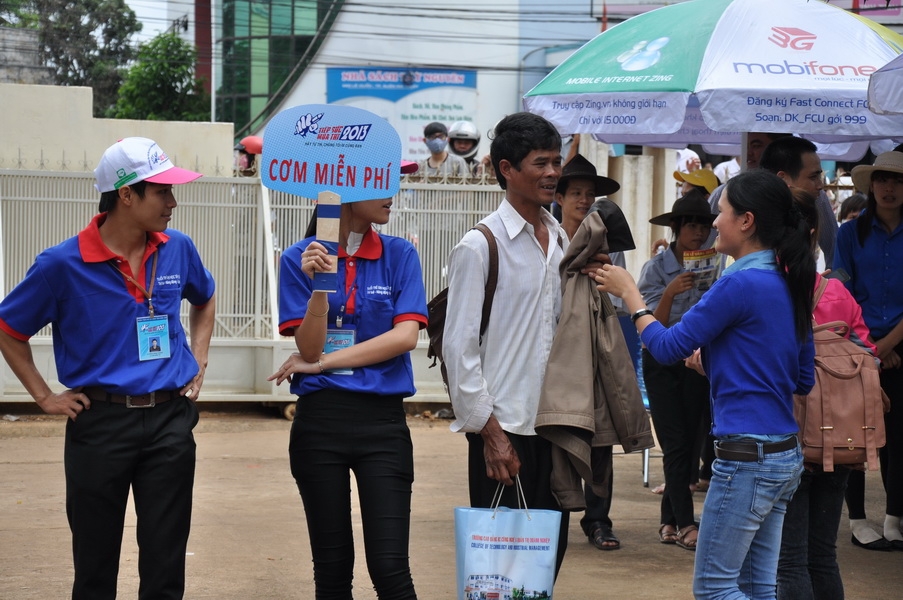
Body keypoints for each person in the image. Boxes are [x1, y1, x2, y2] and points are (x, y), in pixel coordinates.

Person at [0, 136, 216, 600]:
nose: (173, 203)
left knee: (165, 564)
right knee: (95, 567)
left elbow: (205, 297)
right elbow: (8, 328)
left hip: (169, 420)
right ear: (125, 194)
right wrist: (44, 396)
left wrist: (198, 358)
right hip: (99, 424)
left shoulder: (178, 248)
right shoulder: (62, 264)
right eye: (162, 192)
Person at [595, 169, 815, 599]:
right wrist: (718, 363)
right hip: (783, 455)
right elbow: (800, 379)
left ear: (746, 221)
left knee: (715, 588)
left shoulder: (736, 281)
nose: (714, 222)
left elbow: (667, 346)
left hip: (747, 458)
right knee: (756, 587)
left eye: (723, 212)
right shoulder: (789, 280)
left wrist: (631, 297)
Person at [268, 160, 427, 599]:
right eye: (383, 181)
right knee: (333, 570)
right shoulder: (297, 259)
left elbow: (405, 336)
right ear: (347, 192)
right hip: (320, 425)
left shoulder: (400, 254)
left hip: (383, 426)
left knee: (391, 568)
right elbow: (313, 345)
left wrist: (319, 367)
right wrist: (320, 285)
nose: (393, 191)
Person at [442, 112, 570, 575]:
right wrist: (491, 436)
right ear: (506, 169)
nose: (553, 173)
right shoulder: (480, 246)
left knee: (545, 563)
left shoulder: (558, 239)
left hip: (554, 428)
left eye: (556, 161)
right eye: (540, 163)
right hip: (505, 432)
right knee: (499, 570)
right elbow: (459, 351)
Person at [777, 188, 876, 600]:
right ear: (815, 234)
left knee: (790, 560)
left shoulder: (769, 291)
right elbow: (868, 353)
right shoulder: (838, 293)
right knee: (822, 554)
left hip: (791, 436)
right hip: (843, 436)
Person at [638, 189, 715, 552]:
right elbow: (653, 326)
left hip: (697, 363)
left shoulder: (716, 267)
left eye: (704, 225)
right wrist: (670, 291)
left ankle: (668, 520)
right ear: (676, 229)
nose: (698, 232)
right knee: (674, 443)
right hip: (662, 362)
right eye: (691, 225)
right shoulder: (655, 269)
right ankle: (686, 522)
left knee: (693, 438)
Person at [554, 152, 624, 551]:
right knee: (560, 430)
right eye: (576, 193)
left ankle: (598, 519)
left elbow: (615, 292)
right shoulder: (547, 238)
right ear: (559, 197)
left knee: (601, 431)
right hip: (558, 351)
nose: (583, 200)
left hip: (595, 347)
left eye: (589, 194)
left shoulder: (606, 241)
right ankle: (559, 512)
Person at [834, 150, 903, 552]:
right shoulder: (849, 233)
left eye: (896, 181)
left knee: (899, 435)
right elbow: (840, 293)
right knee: (852, 438)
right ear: (871, 185)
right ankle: (858, 519)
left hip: (897, 350)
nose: (889, 187)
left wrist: (887, 346)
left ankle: (895, 517)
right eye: (882, 180)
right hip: (856, 348)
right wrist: (870, 350)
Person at [758, 136, 838, 270]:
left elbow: (834, 250)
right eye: (813, 177)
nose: (820, 185)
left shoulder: (818, 198)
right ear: (782, 179)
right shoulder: (746, 203)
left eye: (820, 176)